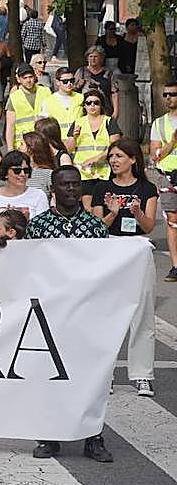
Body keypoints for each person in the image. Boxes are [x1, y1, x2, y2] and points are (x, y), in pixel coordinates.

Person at [27, 166, 114, 463]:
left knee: (90, 377)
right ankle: (50, 437)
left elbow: (107, 270)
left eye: (75, 185)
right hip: (50, 312)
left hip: (85, 313)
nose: (71, 190)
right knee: (50, 376)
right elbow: (26, 267)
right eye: (64, 185)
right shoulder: (37, 227)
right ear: (54, 189)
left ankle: (93, 437)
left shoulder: (95, 227)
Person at [89, 139, 157, 397]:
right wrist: (113, 213)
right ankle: (105, 375)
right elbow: (97, 227)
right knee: (106, 313)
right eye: (111, 157)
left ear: (133, 159)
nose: (114, 161)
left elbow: (149, 226)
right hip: (110, 247)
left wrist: (137, 212)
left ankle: (142, 375)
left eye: (119, 156)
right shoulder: (102, 188)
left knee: (142, 311)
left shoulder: (147, 188)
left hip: (138, 247)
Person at [0, 151, 51, 240]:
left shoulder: (39, 195)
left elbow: (42, 228)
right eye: (17, 171)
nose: (22, 174)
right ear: (5, 173)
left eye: (26, 170)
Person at [148, 81, 177, 282]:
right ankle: (176, 266)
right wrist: (173, 141)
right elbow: (155, 155)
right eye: (165, 94)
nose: (168, 98)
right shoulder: (159, 123)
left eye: (173, 94)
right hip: (168, 176)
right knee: (173, 221)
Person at [66, 87, 120, 183]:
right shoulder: (78, 122)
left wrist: (97, 158)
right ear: (84, 106)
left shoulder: (109, 121)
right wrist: (73, 137)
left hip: (105, 173)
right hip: (84, 174)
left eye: (96, 103)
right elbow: (68, 149)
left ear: (101, 105)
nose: (92, 105)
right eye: (88, 103)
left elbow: (116, 147)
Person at [5, 64, 51, 152]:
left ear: (35, 77)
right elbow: (10, 126)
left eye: (30, 77)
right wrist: (10, 149)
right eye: (25, 78)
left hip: (43, 141)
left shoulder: (46, 92)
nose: (28, 80)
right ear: (18, 79)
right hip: (23, 145)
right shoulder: (14, 97)